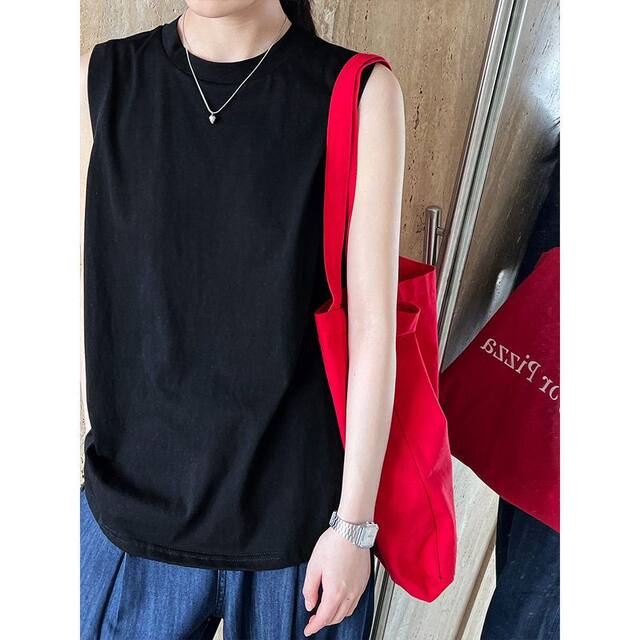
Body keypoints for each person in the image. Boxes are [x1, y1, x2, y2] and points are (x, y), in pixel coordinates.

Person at [79, 1, 404, 638]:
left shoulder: (359, 91)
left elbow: (373, 327)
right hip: (130, 517)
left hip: (300, 534)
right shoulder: (109, 75)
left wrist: (353, 527)